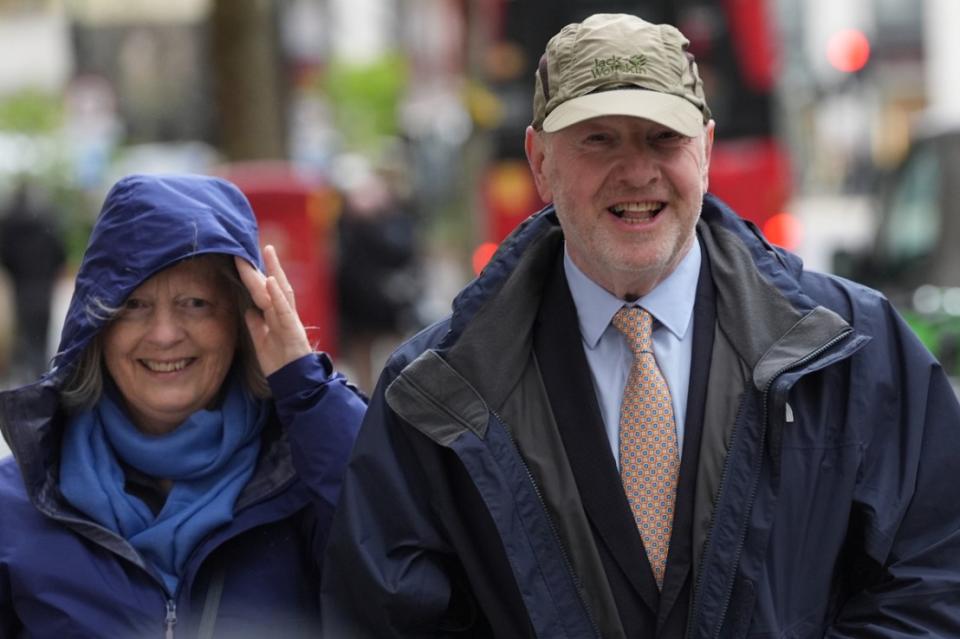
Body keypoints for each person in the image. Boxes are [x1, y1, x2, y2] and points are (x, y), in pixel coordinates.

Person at [321, 13, 960, 638]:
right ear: (539, 160)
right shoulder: (433, 389)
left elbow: (934, 577)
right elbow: (388, 614)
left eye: (663, 139)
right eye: (599, 138)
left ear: (705, 151)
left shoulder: (857, 348)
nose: (636, 171)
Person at [0, 173, 366, 637]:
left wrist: (307, 387)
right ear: (97, 325)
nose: (165, 334)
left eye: (195, 303)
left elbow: (396, 568)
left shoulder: (305, 479)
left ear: (241, 320)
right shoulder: (17, 505)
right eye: (133, 305)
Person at [0, 178, 67, 382]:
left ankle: (25, 381)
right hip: (43, 288)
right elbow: (59, 256)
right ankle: (39, 380)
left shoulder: (8, 225)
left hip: (21, 289)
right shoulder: (48, 223)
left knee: (24, 338)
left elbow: (5, 257)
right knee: (40, 339)